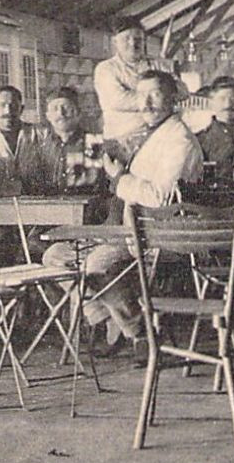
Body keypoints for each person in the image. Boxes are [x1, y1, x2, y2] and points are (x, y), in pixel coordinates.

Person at [74, 70, 203, 347]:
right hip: (127, 230)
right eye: (140, 96)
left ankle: (138, 334)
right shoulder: (151, 135)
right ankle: (113, 321)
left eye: (154, 94)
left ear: (173, 98)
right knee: (55, 257)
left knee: (92, 266)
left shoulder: (179, 140)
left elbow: (160, 197)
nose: (145, 104)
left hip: (153, 236)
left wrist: (120, 178)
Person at [36, 86, 107, 197]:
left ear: (78, 113)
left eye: (66, 108)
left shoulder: (94, 143)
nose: (61, 113)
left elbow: (102, 186)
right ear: (48, 116)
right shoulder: (40, 145)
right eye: (55, 108)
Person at [0, 85, 50, 194]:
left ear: (21, 109)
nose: (8, 111)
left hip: (36, 201)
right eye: (2, 105)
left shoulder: (40, 135)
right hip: (0, 204)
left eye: (13, 106)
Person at [93, 18, 151, 141]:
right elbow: (118, 100)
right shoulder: (106, 68)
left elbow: (182, 91)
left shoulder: (157, 65)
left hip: (155, 137)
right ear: (115, 42)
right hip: (121, 139)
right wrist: (159, 97)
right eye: (126, 38)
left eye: (138, 39)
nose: (133, 44)